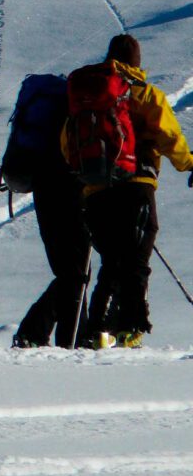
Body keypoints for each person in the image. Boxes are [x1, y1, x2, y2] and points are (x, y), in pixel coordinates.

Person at [65, 34, 193, 348]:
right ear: (136, 62)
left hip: (95, 191)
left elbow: (67, 143)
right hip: (137, 186)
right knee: (136, 259)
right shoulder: (144, 94)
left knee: (111, 259)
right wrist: (188, 164)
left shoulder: (87, 96)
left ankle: (97, 331)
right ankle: (130, 327)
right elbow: (168, 135)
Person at [11, 168, 91, 348]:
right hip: (73, 191)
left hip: (44, 191)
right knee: (77, 273)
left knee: (70, 272)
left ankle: (61, 337)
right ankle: (42, 334)